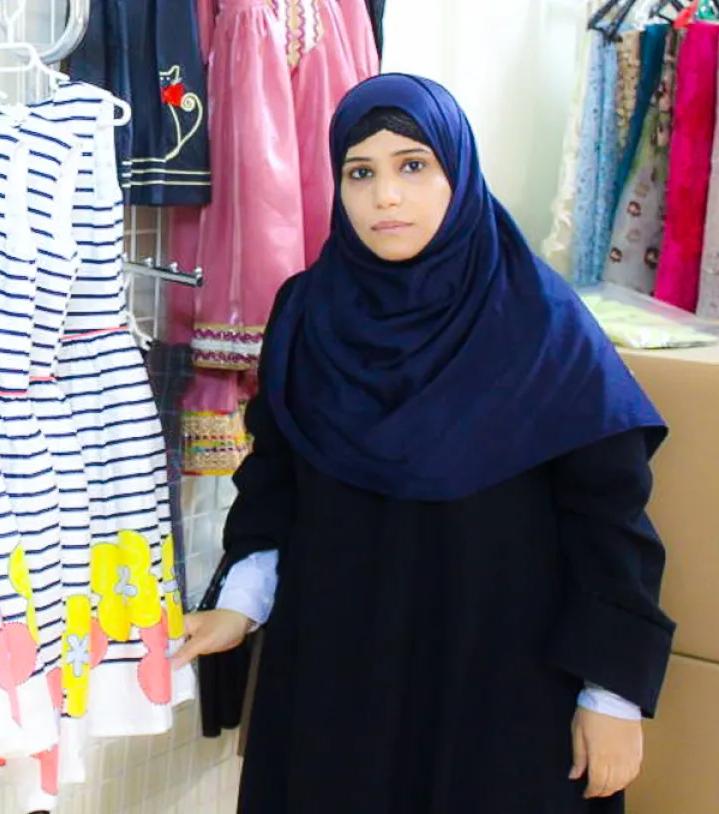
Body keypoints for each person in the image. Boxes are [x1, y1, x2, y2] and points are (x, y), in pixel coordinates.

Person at [171, 74, 675, 814]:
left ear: (458, 172)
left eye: (413, 165)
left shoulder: (542, 325)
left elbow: (610, 522)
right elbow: (277, 483)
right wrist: (239, 605)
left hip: (502, 685)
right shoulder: (308, 313)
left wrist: (613, 694)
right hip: (337, 676)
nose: (386, 197)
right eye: (360, 173)